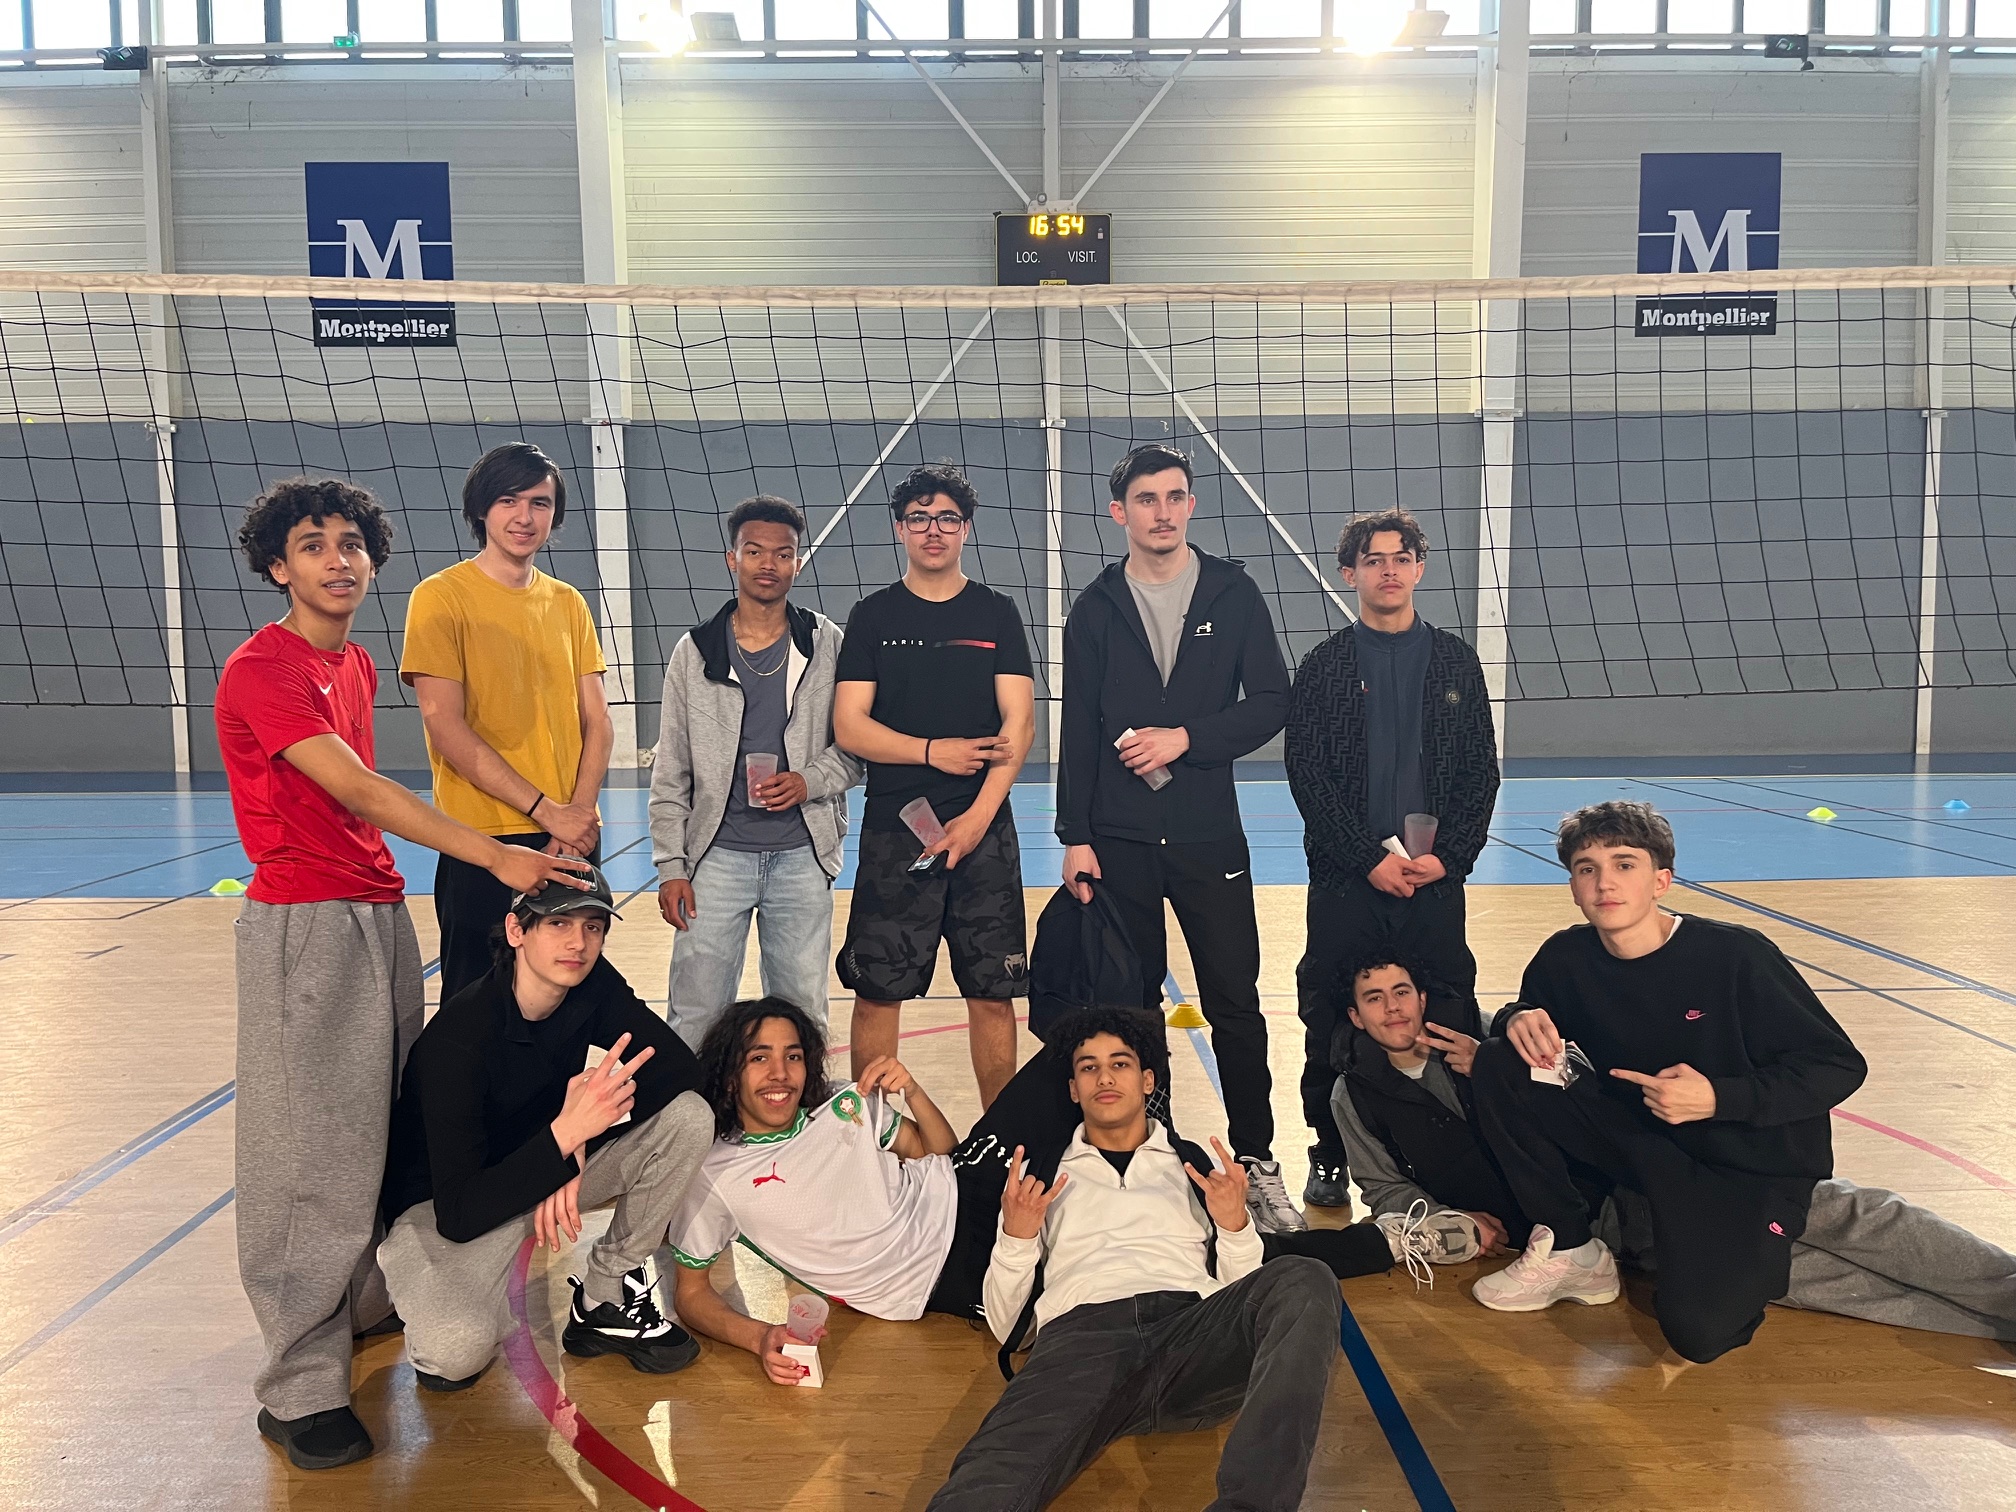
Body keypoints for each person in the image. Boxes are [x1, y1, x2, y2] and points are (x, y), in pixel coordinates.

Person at [216, 477, 589, 1471]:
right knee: (311, 1155)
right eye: (312, 545)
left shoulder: (353, 661)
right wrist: (499, 854)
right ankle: (298, 1384)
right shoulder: (264, 669)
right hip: (305, 923)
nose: (338, 560)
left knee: (379, 1128)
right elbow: (360, 789)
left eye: (352, 544)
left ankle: (359, 1300)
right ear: (276, 565)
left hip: (376, 914)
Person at [1470, 801, 2016, 1361]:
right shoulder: (1565, 957)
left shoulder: (1735, 956)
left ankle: (1815, 1238)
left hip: (1745, 1164)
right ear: (1573, 887)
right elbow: (1534, 1019)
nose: (1605, 882)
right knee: (1499, 1059)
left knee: (1700, 1332)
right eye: (1587, 868)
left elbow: (1837, 1065)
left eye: (1624, 864)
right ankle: (1571, 1248)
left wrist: (1717, 1098)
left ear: (1661, 880)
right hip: (1644, 1151)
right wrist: (1517, 1016)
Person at [667, 1001, 1449, 1388]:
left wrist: (912, 1092)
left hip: (971, 1182)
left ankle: (1161, 1161)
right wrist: (757, 1337)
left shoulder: (840, 1107)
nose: (781, 1073)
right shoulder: (712, 1175)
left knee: (1091, 1035)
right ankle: (1385, 1241)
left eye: (793, 1056)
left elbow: (938, 1151)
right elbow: (693, 1294)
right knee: (1199, 1259)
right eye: (759, 1058)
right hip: (950, 1272)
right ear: (729, 1072)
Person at [1340, 945, 2016, 1348]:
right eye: (1374, 998)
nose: (1393, 1007)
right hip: (1604, 1238)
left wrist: (1496, 1067)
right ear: (1356, 1016)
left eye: (1402, 991)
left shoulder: (1496, 1035)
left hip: (1650, 1168)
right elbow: (1385, 1191)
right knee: (1799, 1280)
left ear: (1422, 996)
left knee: (1841, 1216)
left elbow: (1584, 1082)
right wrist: (1452, 1222)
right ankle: (2002, 1324)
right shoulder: (1356, 1095)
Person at [925, 1017, 1341, 1512]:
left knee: (1304, 1276)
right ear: (1073, 1089)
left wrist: (1235, 1226)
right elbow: (1006, 1326)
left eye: (1119, 1064)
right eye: (1088, 1067)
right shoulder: (1039, 1176)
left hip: (1191, 1334)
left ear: (1147, 1081)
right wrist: (1016, 1237)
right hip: (1082, 1343)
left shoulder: (1191, 1166)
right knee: (985, 1482)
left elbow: (1247, 1301)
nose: (1104, 1077)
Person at [1055, 442, 1300, 1235]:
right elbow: (1079, 728)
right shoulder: (1095, 608)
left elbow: (1272, 701)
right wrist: (1074, 835)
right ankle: (1149, 1160)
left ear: (1190, 505)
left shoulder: (1233, 592)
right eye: (1146, 498)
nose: (1162, 511)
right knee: (1130, 1013)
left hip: (1207, 838)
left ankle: (1257, 1161)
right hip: (1118, 842)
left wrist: (1186, 738)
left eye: (1174, 496)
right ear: (1118, 512)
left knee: (1235, 1005)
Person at [378, 864, 713, 1389]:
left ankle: (604, 1297)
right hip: (445, 1205)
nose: (578, 943)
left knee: (689, 1116)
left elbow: (678, 1073)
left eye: (593, 926)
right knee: (454, 1355)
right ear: (517, 931)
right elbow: (460, 1214)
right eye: (558, 923)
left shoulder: (590, 985)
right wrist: (562, 1141)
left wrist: (569, 1151)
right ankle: (410, 1284)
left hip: (542, 1171)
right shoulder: (459, 1039)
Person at [1284, 508, 1500, 1213]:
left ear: (1419, 568)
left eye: (1400, 557)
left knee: (1447, 1006)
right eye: (1373, 560)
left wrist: (1451, 859)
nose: (1388, 570)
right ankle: (1330, 1151)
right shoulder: (1324, 667)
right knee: (1330, 1014)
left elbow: (1480, 772)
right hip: (1348, 884)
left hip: (1433, 884)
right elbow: (1308, 776)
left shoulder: (1456, 661)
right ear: (1350, 574)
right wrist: (1363, 858)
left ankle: (1464, 1139)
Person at [833, 463, 1037, 1107]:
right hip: (896, 835)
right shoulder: (872, 616)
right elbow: (849, 726)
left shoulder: (996, 613)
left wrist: (977, 819)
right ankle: (872, 1138)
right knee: (879, 990)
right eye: (919, 518)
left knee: (993, 994)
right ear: (899, 528)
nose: (933, 530)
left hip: (985, 833)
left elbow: (1019, 725)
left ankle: (1001, 1141)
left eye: (947, 518)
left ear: (966, 528)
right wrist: (930, 752)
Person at [402, 442, 615, 1003]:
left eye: (540, 503)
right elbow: (446, 728)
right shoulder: (439, 598)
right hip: (482, 840)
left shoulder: (568, 603)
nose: (524, 517)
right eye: (508, 500)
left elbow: (598, 721)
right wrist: (549, 811)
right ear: (481, 509)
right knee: (476, 1003)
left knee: (565, 999)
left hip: (569, 839)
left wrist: (577, 817)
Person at [650, 495, 862, 1049]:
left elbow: (855, 748)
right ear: (732, 558)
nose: (769, 563)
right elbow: (671, 773)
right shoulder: (694, 652)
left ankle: (803, 1106)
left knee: (804, 1015)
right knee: (695, 1013)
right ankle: (688, 1105)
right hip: (715, 859)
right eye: (754, 551)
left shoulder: (827, 644)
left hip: (802, 857)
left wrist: (808, 781)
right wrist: (671, 866)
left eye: (783, 553)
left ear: (797, 562)